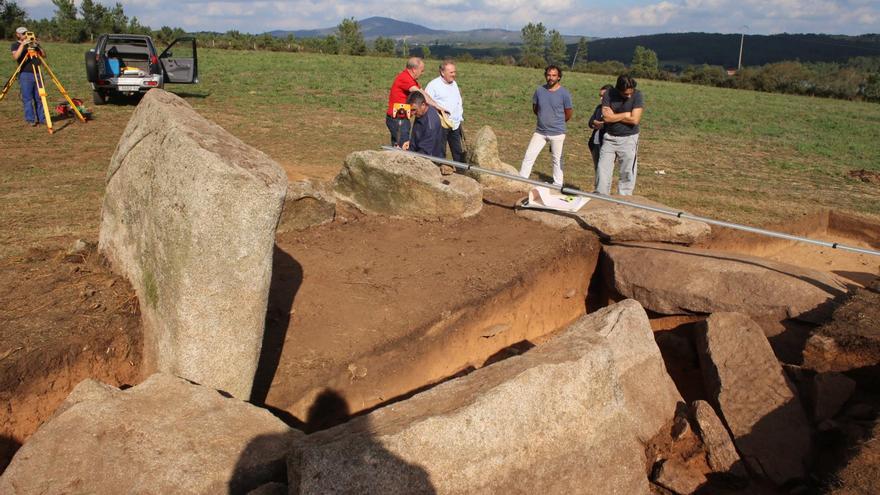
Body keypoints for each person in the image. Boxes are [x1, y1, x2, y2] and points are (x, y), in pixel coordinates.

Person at [518, 65, 573, 187]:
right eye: (549, 75)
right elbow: (535, 108)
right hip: (540, 132)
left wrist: (557, 123)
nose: (551, 78)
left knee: (557, 159)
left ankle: (558, 185)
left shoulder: (564, 93)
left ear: (559, 77)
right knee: (529, 155)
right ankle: (521, 180)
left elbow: (568, 113)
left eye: (554, 75)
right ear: (545, 76)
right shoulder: (539, 90)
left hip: (557, 133)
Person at [595, 75, 644, 195]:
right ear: (618, 90)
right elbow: (606, 117)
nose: (629, 96)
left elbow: (635, 120)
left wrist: (614, 116)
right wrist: (626, 114)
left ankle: (624, 199)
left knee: (627, 172)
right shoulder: (608, 94)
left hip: (629, 139)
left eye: (630, 93)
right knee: (602, 170)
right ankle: (601, 197)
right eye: (625, 94)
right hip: (609, 138)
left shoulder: (637, 95)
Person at [385, 57, 443, 148]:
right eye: (421, 70)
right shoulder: (405, 78)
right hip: (398, 119)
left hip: (402, 118)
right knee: (403, 146)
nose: (422, 73)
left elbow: (423, 92)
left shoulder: (411, 80)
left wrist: (436, 105)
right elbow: (420, 95)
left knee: (397, 146)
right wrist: (438, 107)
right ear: (414, 69)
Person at [424, 59, 465, 162]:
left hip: (455, 124)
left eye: (454, 72)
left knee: (458, 151)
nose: (454, 74)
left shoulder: (454, 83)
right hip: (441, 124)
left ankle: (461, 173)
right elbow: (426, 103)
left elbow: (457, 101)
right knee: (440, 150)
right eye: (451, 72)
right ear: (442, 72)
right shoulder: (433, 85)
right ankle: (439, 171)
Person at [10, 27, 46, 127]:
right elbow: (16, 57)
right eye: (23, 34)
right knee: (27, 98)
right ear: (18, 34)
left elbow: (43, 55)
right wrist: (23, 44)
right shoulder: (15, 45)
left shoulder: (33, 44)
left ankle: (42, 118)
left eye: (26, 33)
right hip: (25, 74)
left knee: (40, 97)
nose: (25, 35)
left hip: (37, 73)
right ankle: (30, 119)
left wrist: (38, 46)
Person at [403, 91, 444, 159]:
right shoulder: (421, 113)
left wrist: (407, 156)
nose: (412, 113)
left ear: (423, 105)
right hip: (417, 152)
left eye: (414, 110)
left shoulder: (430, 124)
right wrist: (411, 143)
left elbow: (425, 152)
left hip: (428, 161)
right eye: (410, 110)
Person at [587, 84, 614, 178]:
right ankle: (597, 189)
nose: (601, 99)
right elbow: (590, 122)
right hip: (595, 143)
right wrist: (595, 123)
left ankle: (602, 190)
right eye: (600, 96)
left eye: (604, 96)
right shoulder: (599, 108)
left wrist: (601, 124)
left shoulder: (614, 109)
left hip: (606, 143)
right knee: (597, 168)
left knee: (604, 170)